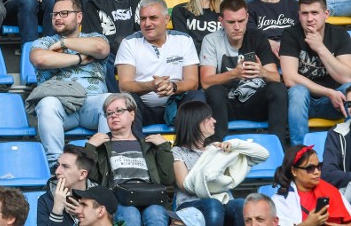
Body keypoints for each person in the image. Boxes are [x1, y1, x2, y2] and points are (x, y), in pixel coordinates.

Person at [29, 0, 111, 166]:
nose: (58, 18)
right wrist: (79, 59)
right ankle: (56, 165)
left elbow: (101, 48)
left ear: (79, 17)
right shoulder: (44, 42)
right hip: (62, 107)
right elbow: (40, 59)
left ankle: (105, 163)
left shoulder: (95, 37)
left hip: (92, 105)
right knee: (46, 103)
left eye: (64, 13)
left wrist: (65, 43)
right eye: (54, 14)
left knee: (113, 102)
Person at [200, 0, 287, 143]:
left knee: (278, 89)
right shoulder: (211, 40)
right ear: (221, 21)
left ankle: (278, 146)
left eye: (241, 21)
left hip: (254, 103)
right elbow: (206, 82)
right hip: (225, 105)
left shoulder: (258, 37)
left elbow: (276, 78)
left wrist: (262, 72)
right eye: (231, 22)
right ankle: (219, 146)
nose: (237, 27)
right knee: (214, 91)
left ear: (247, 18)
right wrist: (234, 74)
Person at [83, 93, 173, 226]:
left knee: (156, 215)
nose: (114, 115)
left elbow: (167, 179)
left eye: (119, 110)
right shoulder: (101, 145)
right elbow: (93, 179)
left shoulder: (150, 143)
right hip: (118, 198)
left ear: (132, 115)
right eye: (109, 113)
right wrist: (90, 148)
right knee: (130, 215)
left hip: (151, 196)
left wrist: (164, 148)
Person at [115, 0, 202, 127]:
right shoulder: (129, 43)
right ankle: (134, 146)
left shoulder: (183, 40)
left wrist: (173, 87)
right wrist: (151, 86)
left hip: (176, 104)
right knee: (127, 100)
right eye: (143, 18)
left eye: (153, 18)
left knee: (197, 96)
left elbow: (192, 82)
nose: (147, 23)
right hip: (143, 108)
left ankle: (191, 145)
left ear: (167, 19)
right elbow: (125, 85)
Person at [280, 0, 351, 146]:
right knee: (297, 91)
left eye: (314, 13)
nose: (310, 18)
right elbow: (290, 78)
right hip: (302, 104)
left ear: (326, 14)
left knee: (350, 89)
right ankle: (300, 152)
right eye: (304, 13)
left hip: (335, 103)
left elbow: (347, 78)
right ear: (299, 15)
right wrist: (328, 92)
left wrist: (321, 48)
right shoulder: (290, 35)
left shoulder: (339, 34)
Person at [171, 102, 248, 226]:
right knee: (213, 204)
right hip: (191, 204)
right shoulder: (177, 152)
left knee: (241, 204)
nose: (214, 121)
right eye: (208, 118)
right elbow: (185, 185)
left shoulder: (216, 148)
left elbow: (231, 179)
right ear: (195, 122)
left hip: (222, 201)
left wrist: (230, 152)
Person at [82, 0, 146, 94]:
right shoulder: (93, 5)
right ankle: (117, 100)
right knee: (101, 57)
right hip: (111, 60)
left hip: (140, 56)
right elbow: (93, 41)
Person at [272, 144, 351, 226]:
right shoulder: (281, 200)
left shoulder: (330, 190)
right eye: (310, 168)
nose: (317, 172)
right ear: (294, 171)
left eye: (319, 166)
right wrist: (308, 224)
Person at [37, 146, 94, 226]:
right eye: (58, 165)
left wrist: (85, 217)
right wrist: (56, 211)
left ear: (82, 174)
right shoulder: (45, 200)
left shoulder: (101, 198)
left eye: (65, 167)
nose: (57, 171)